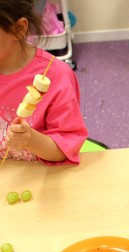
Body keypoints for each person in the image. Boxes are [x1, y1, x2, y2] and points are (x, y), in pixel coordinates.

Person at [0, 0, 87, 165]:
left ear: (18, 29)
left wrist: (31, 140)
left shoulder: (55, 76)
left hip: (40, 176)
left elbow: (64, 149)